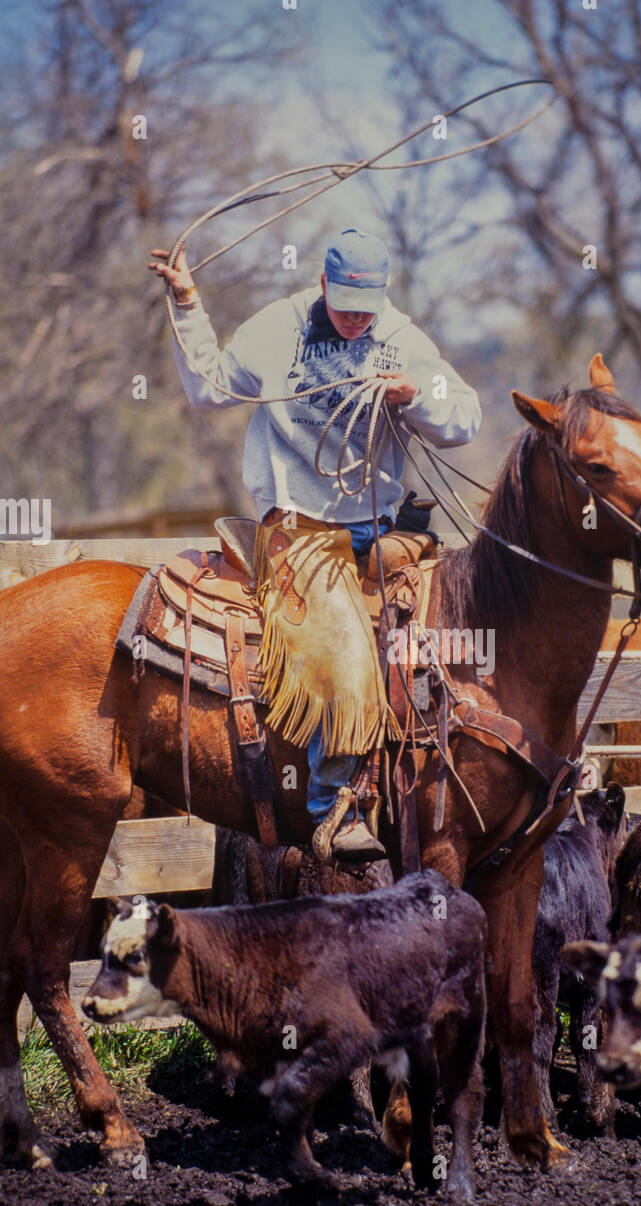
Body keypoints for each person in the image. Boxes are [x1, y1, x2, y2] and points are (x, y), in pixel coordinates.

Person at [149, 228, 481, 861]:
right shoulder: (277, 329)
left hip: (383, 523)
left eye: (369, 308)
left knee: (459, 623)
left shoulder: (399, 337)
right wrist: (189, 304)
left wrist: (417, 394)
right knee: (342, 643)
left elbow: (465, 418)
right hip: (300, 523)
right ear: (323, 285)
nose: (358, 320)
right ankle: (335, 805)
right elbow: (207, 385)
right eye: (346, 305)